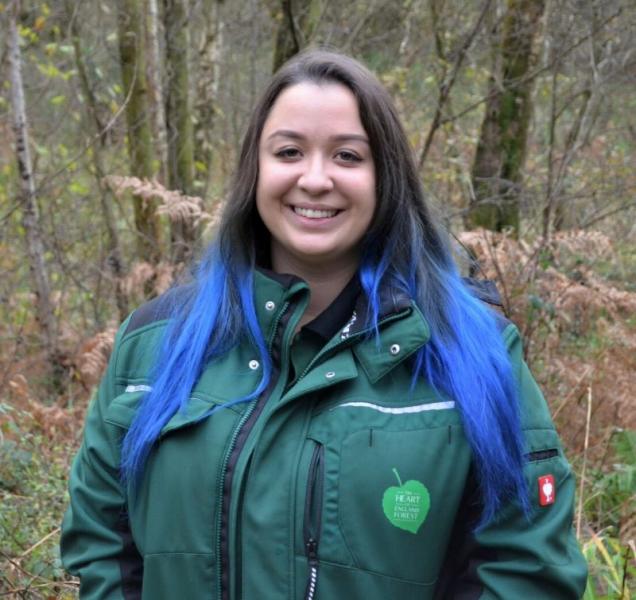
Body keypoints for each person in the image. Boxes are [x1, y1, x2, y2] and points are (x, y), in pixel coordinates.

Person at [61, 50, 587, 599]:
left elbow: (525, 572)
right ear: (254, 171)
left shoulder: (473, 356)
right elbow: (102, 543)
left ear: (386, 176)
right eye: (289, 151)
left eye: (347, 155)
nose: (315, 179)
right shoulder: (154, 345)